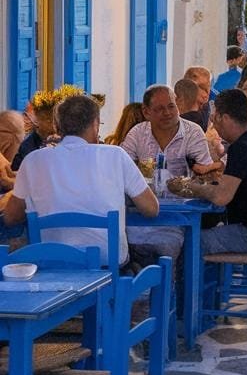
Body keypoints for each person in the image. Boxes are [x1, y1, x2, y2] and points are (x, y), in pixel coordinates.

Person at [4, 93, 158, 266]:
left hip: (53, 263)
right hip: (105, 263)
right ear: (95, 124)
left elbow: (11, 217)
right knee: (148, 258)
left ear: (57, 126)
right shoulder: (115, 155)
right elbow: (151, 208)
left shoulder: (33, 160)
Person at [188, 89, 247, 254]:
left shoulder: (242, 147)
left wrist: (193, 188)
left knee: (191, 240)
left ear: (224, 118)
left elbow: (221, 197)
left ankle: (188, 280)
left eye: (214, 119)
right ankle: (211, 279)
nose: (213, 126)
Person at [122, 84, 216, 176]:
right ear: (146, 112)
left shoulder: (193, 132)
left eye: (171, 106)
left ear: (177, 105)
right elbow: (123, 168)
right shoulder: (137, 133)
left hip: (185, 191)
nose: (167, 113)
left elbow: (207, 173)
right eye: (160, 109)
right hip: (144, 191)